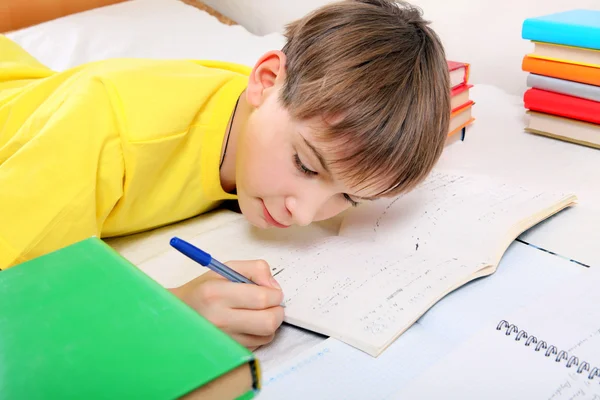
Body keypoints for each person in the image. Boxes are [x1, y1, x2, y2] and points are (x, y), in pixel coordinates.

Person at [0, 0, 450, 349]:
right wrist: (170, 312)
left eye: (348, 197)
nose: (304, 215)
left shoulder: (265, 113)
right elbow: (18, 300)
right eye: (306, 165)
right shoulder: (105, 131)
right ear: (266, 79)